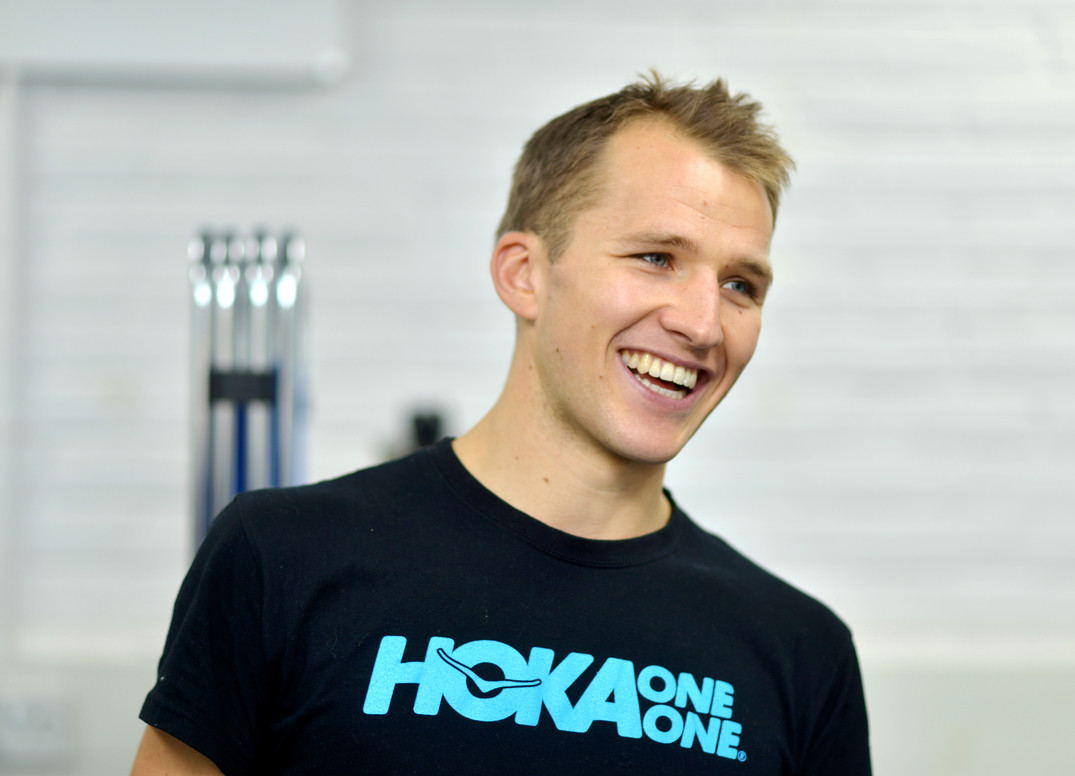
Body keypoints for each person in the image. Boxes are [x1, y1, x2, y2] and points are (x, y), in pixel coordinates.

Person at [132, 73, 871, 775]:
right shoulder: (280, 556)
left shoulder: (801, 652)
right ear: (525, 274)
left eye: (740, 284)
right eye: (656, 257)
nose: (704, 324)